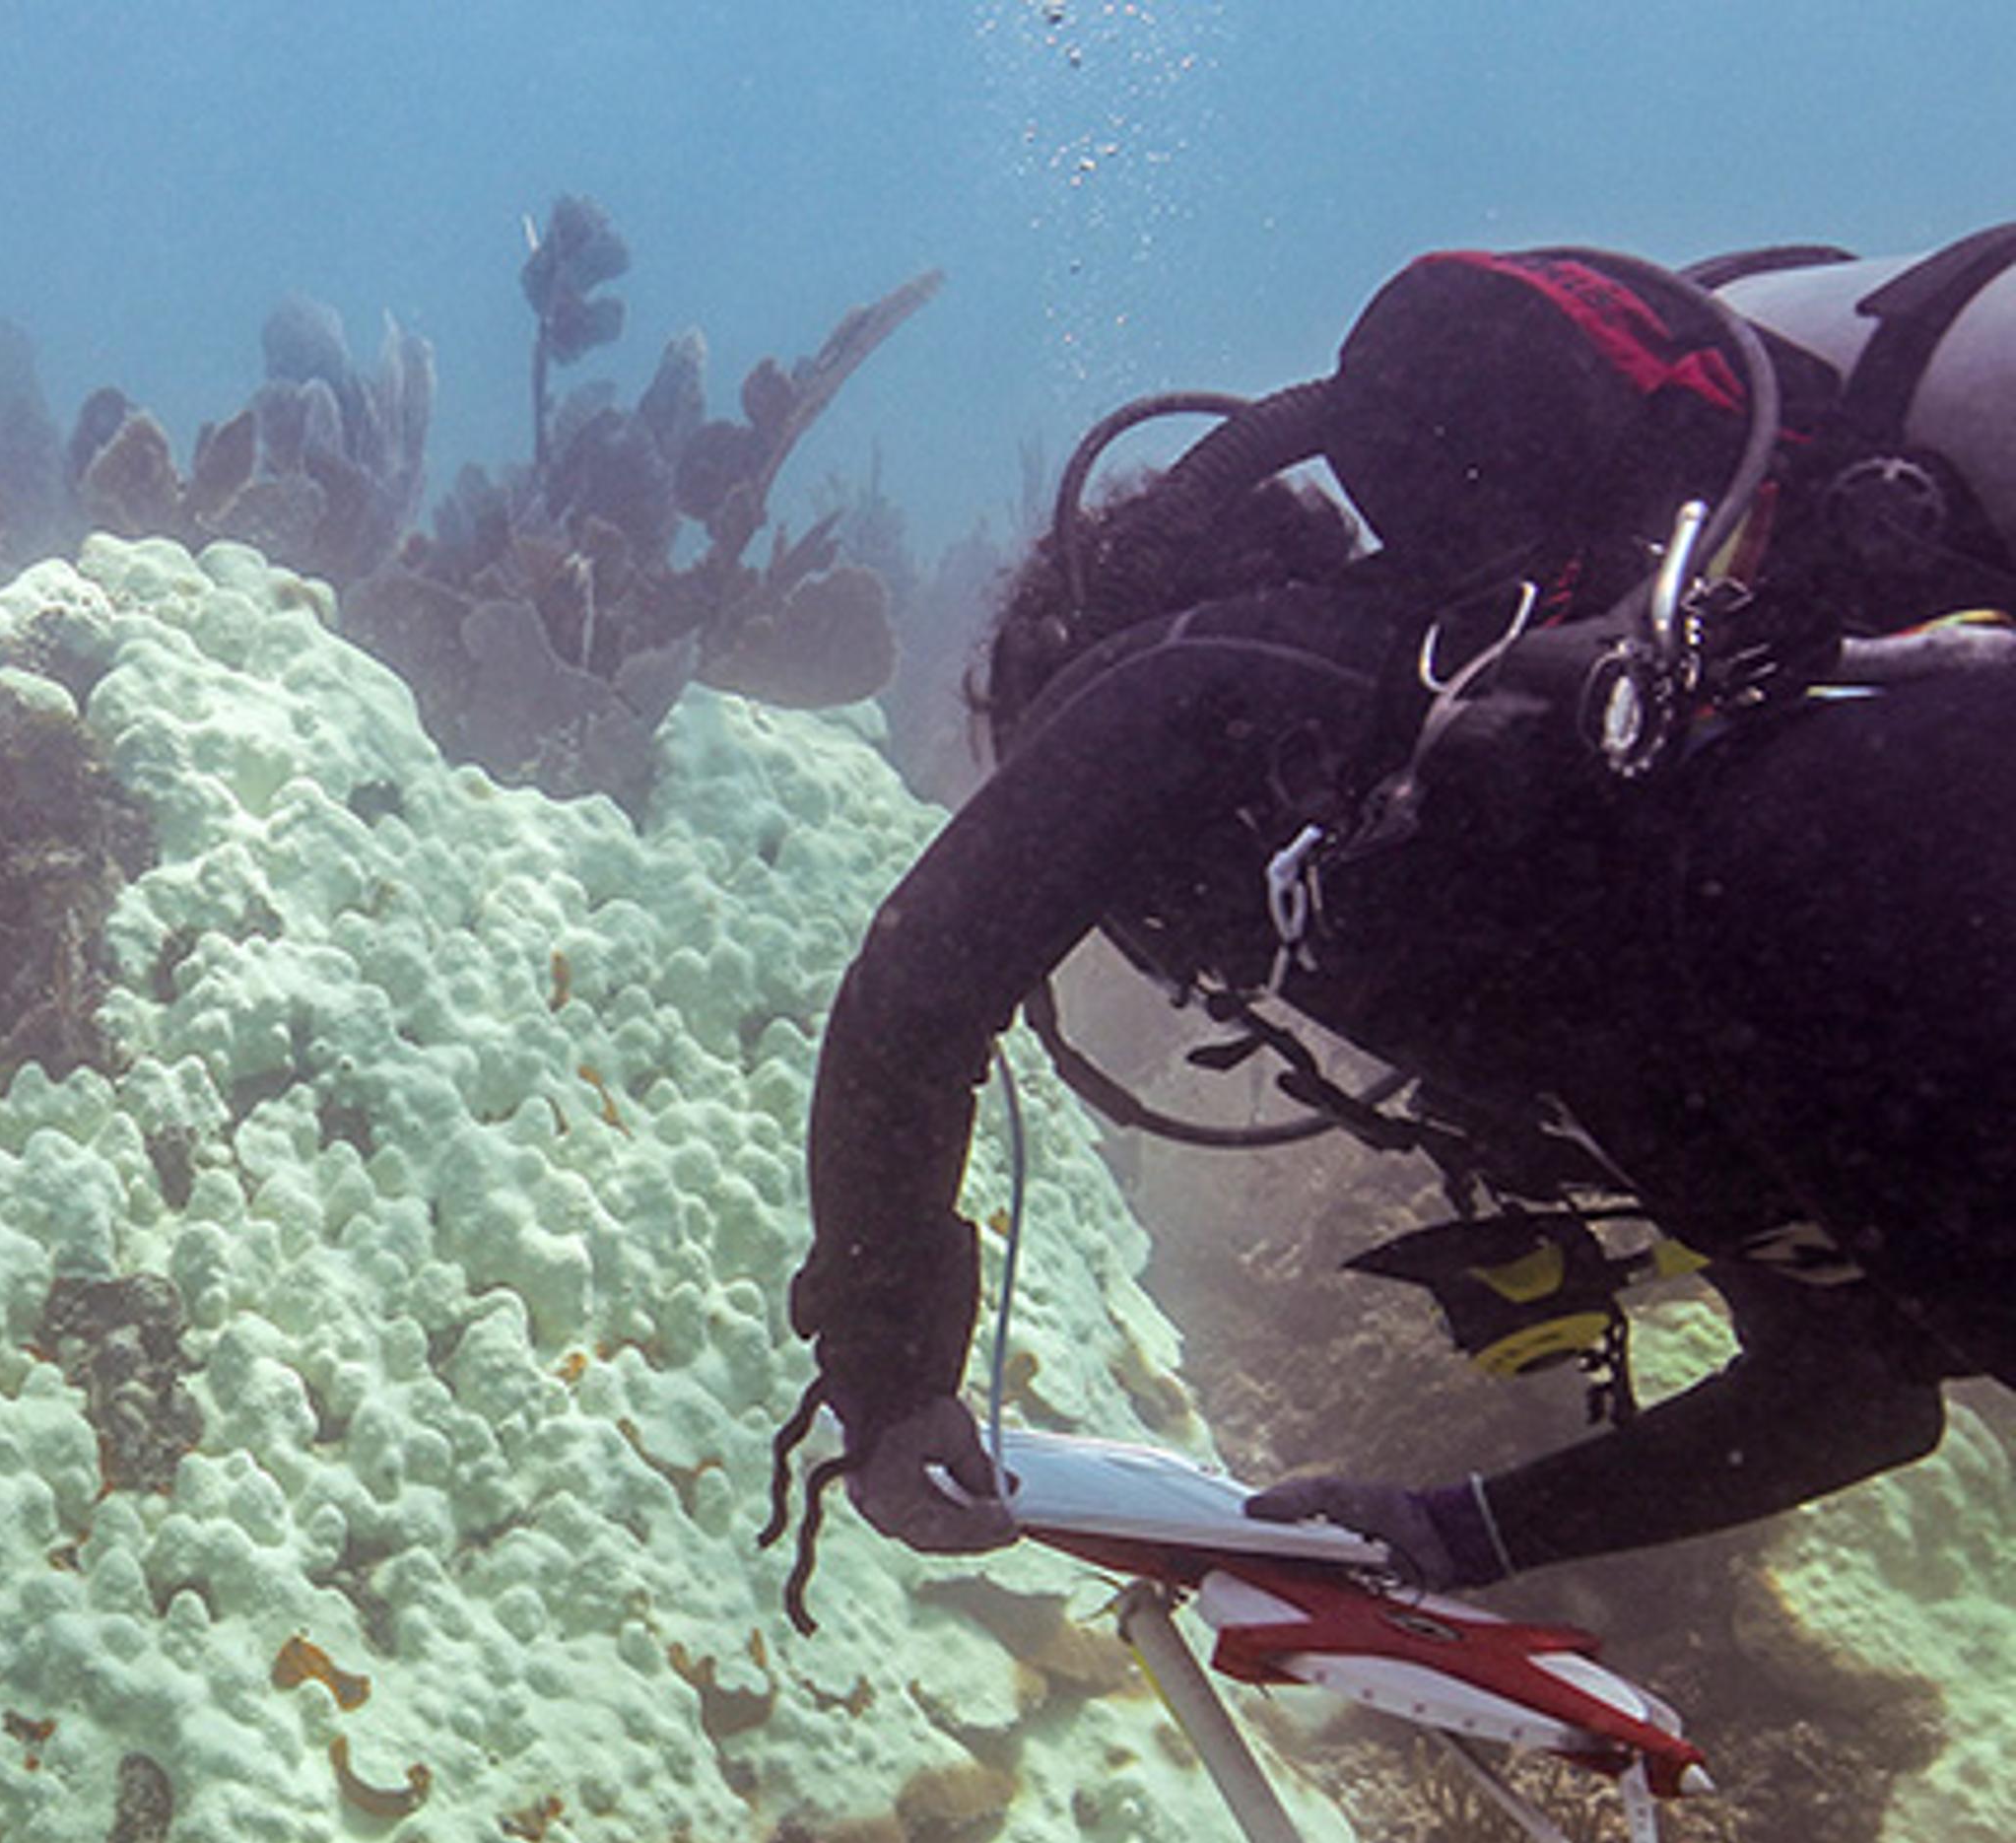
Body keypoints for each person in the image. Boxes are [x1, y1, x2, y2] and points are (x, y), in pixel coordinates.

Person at [788, 235, 2016, 1592]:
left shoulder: (1205, 678)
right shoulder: (1585, 845)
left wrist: (891, 1386)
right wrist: (1460, 1530)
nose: (1169, 957)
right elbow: (1854, 1390)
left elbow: (915, 993)